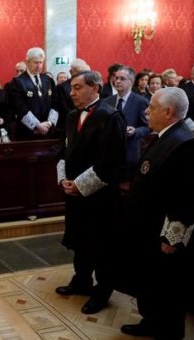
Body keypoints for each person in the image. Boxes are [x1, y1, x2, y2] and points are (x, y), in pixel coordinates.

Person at [120, 87, 194, 340]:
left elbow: (190, 196)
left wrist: (173, 238)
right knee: (149, 283)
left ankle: (168, 332)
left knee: (167, 287)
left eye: (152, 107)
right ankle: (150, 321)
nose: (146, 111)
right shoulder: (163, 136)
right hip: (147, 228)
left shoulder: (187, 143)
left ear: (168, 112)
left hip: (163, 234)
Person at [55, 70, 126, 315]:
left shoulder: (111, 116)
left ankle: (103, 290)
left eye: (77, 87)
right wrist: (64, 179)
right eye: (71, 88)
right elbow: (63, 151)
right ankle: (81, 279)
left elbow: (110, 160)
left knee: (101, 243)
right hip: (75, 194)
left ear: (95, 88)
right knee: (79, 238)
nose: (71, 92)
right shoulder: (72, 115)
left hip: (99, 196)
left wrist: (80, 185)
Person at [104, 66, 150, 181]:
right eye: (116, 78)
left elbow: (148, 126)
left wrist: (135, 131)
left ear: (131, 81)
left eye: (122, 79)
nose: (117, 81)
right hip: (109, 155)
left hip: (130, 154)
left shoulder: (140, 101)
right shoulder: (107, 101)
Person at [7, 47, 58, 140]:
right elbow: (19, 107)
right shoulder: (18, 82)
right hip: (27, 132)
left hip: (48, 131)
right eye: (35, 62)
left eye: (41, 62)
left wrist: (49, 123)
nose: (39, 66)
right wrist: (37, 125)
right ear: (27, 62)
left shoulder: (48, 80)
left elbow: (55, 103)